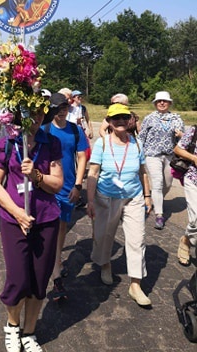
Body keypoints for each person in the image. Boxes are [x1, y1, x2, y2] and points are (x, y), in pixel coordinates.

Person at [0, 105, 63, 352]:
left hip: (46, 220)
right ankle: (12, 326)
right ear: (21, 114)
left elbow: (57, 184)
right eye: (32, 111)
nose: (38, 116)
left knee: (39, 281)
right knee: (18, 279)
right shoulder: (7, 143)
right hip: (14, 221)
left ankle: (29, 332)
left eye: (42, 112)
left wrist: (38, 177)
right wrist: (17, 212)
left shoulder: (51, 142)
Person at [87, 103, 153, 306]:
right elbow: (94, 173)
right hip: (106, 198)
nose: (121, 121)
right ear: (109, 121)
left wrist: (148, 196)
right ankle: (105, 263)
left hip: (134, 197)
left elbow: (142, 171)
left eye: (125, 117)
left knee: (137, 239)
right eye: (116, 118)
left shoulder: (137, 143)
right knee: (104, 235)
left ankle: (135, 284)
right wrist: (90, 200)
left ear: (130, 120)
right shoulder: (103, 143)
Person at [42, 93, 88, 301]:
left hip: (68, 187)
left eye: (64, 106)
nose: (61, 110)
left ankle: (56, 262)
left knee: (61, 229)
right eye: (56, 107)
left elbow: (81, 158)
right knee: (47, 229)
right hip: (47, 187)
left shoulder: (75, 130)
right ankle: (55, 275)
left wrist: (79, 185)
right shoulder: (44, 129)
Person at [139, 91, 184, 230]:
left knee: (168, 183)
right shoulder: (149, 118)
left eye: (165, 101)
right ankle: (159, 214)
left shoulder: (176, 119)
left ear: (169, 103)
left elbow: (184, 139)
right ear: (155, 103)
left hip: (170, 156)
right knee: (157, 183)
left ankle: (156, 198)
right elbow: (141, 137)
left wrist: (181, 134)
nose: (162, 103)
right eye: (159, 101)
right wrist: (138, 153)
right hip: (153, 155)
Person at [173, 125, 197, 266]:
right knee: (195, 219)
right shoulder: (194, 130)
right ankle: (187, 240)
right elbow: (177, 149)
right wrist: (193, 158)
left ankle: (187, 239)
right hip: (193, 179)